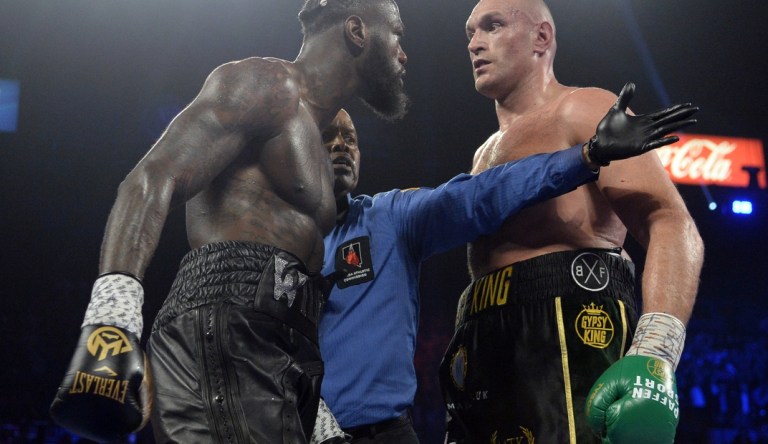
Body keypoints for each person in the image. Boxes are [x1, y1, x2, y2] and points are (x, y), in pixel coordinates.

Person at [49, 0, 410, 443]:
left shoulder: (316, 150)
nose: (402, 52)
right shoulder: (266, 84)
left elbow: (283, 304)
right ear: (357, 31)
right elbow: (151, 178)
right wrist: (113, 319)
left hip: (280, 351)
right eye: (397, 34)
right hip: (223, 335)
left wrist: (315, 415)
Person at [314, 94, 697, 442]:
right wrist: (315, 422)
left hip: (382, 435)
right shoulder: (262, 242)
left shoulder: (389, 217)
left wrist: (587, 155)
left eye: (350, 138)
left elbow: (481, 194)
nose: (341, 146)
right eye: (327, 135)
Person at [438, 1, 705, 443]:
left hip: (568, 326)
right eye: (470, 32)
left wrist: (655, 356)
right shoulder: (484, 151)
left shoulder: (582, 107)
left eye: (493, 25)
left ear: (541, 38)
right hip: (480, 338)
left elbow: (670, 221)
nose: (474, 43)